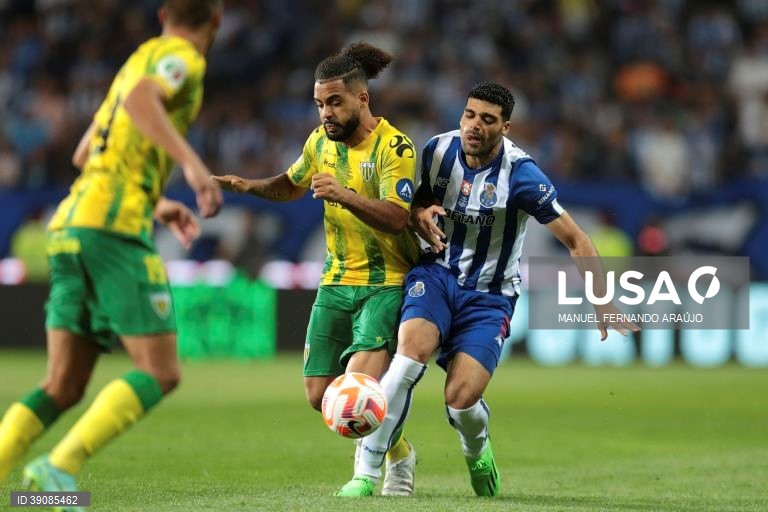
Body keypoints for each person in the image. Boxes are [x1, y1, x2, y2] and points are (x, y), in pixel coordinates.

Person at [336, 81, 640, 497]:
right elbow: (410, 206)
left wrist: (602, 301)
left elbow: (577, 239)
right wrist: (421, 213)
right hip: (437, 275)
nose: (474, 126)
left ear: (506, 127)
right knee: (408, 357)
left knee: (460, 399)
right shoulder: (437, 151)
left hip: (490, 295)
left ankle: (477, 450)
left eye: (487, 120)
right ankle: (367, 475)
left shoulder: (523, 175)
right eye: (469, 115)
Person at [0, 0, 223, 503]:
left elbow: (85, 154)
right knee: (160, 370)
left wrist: (156, 200)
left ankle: (25, 489)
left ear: (163, 14)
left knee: (62, 385)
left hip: (72, 223)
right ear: (216, 21)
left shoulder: (135, 60)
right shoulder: (181, 58)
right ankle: (58, 470)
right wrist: (190, 165)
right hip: (112, 229)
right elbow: (141, 103)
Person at [213, 42, 421, 496]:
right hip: (334, 282)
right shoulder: (318, 143)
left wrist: (344, 194)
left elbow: (398, 216)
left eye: (334, 102)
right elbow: (291, 185)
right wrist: (249, 186)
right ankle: (401, 448)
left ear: (361, 99)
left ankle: (366, 477)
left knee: (359, 387)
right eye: (319, 104)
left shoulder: (395, 146)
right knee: (319, 397)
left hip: (384, 283)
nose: (325, 112)